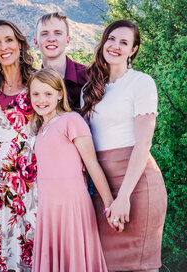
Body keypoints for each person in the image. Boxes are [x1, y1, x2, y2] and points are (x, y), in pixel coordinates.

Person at [81, 20, 167, 272]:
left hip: (137, 186)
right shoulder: (89, 89)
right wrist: (110, 199)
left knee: (142, 267)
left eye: (124, 42)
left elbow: (143, 144)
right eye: (111, 39)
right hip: (103, 188)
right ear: (103, 41)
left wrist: (124, 197)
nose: (115, 46)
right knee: (104, 265)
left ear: (133, 50)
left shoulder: (141, 83)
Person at [28, 68, 113, 272]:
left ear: (59, 94)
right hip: (49, 209)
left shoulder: (71, 120)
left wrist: (109, 203)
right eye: (36, 94)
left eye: (48, 94)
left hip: (72, 207)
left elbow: (92, 164)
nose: (41, 100)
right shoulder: (40, 129)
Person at [0, 19, 37, 272]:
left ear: (20, 44)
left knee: (33, 239)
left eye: (9, 40)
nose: (3, 46)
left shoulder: (38, 83)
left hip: (33, 177)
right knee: (1, 242)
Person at [34, 12, 87, 110]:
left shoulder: (88, 77)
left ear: (68, 40)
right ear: (36, 42)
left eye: (58, 33)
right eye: (44, 34)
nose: (51, 39)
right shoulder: (32, 83)